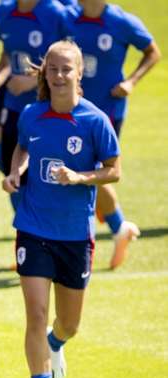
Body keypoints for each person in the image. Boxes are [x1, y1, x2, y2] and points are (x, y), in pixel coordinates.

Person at [2, 40, 120, 378]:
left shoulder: (94, 120)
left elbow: (113, 170)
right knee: (35, 315)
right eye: (52, 69)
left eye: (65, 69)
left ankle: (56, 344)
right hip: (33, 229)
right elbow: (21, 149)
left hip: (75, 234)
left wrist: (80, 177)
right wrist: (15, 172)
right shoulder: (32, 115)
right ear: (45, 73)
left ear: (79, 72)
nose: (58, 75)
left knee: (68, 323)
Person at [68, 0, 160, 269]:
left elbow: (152, 52)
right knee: (86, 168)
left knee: (92, 169)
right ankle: (118, 228)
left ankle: (114, 228)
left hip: (107, 110)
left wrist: (131, 82)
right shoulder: (69, 17)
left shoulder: (122, 22)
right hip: (75, 108)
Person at [0, 0, 71, 213]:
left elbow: (74, 60)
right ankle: (24, 233)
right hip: (16, 108)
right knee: (14, 175)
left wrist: (32, 80)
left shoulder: (57, 13)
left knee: (51, 173)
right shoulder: (2, 11)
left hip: (51, 107)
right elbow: (9, 55)